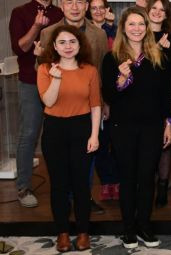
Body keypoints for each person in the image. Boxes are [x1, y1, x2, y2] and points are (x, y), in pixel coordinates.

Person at [101, 6, 171, 249]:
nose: (136, 29)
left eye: (141, 24)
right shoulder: (112, 58)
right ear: (123, 28)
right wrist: (120, 80)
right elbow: (108, 95)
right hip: (123, 128)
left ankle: (144, 225)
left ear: (147, 28)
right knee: (128, 178)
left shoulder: (158, 56)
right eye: (131, 24)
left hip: (152, 127)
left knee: (146, 178)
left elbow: (166, 95)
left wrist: (169, 124)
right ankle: (128, 229)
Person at [37, 24, 100, 252]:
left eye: (72, 41)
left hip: (82, 128)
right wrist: (56, 78)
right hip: (54, 130)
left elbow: (95, 106)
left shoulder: (90, 70)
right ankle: (62, 233)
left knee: (81, 184)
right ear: (54, 46)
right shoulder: (45, 69)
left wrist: (94, 135)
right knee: (59, 185)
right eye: (62, 42)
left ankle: (83, 232)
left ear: (79, 44)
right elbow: (49, 102)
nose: (67, 46)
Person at [9, 0, 63, 208]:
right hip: (31, 83)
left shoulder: (60, 13)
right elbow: (20, 48)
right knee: (29, 134)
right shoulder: (20, 13)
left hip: (57, 81)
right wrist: (35, 27)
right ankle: (23, 187)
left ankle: (62, 185)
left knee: (58, 136)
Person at [146, 0, 171, 208]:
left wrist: (169, 51)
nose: (158, 12)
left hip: (166, 97)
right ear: (148, 10)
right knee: (147, 141)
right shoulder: (137, 35)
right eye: (155, 8)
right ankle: (147, 184)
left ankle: (162, 185)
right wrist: (157, 49)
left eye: (162, 9)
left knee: (165, 143)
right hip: (143, 98)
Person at [86, 0, 120, 202]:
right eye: (94, 8)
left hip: (115, 93)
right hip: (93, 94)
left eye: (102, 7)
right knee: (100, 141)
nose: (98, 11)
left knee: (116, 142)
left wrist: (109, 28)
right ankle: (106, 181)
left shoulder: (116, 32)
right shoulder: (85, 34)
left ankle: (117, 181)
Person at [40, 0, 108, 68]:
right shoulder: (48, 33)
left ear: (86, 6)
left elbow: (104, 71)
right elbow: (42, 70)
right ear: (62, 6)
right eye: (69, 2)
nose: (75, 7)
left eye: (79, 2)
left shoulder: (100, 34)